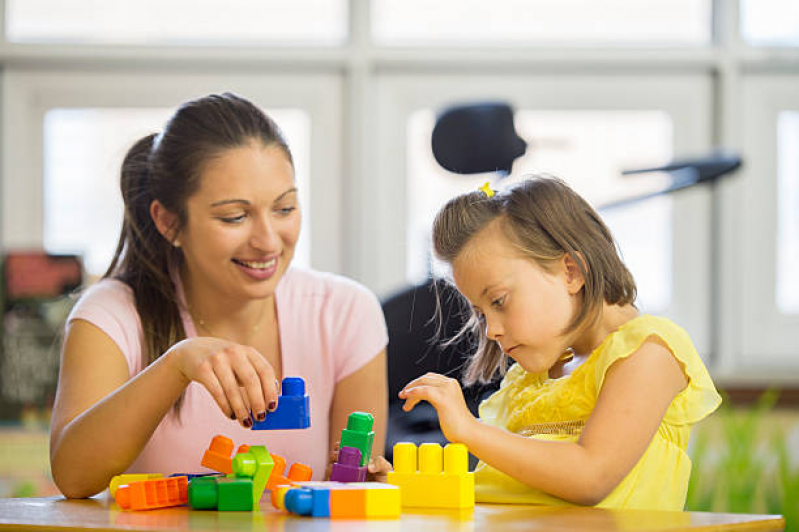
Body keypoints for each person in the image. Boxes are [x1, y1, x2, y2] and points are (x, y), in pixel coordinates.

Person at [49, 93, 388, 498]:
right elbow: (73, 477)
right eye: (235, 216)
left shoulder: (347, 313)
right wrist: (176, 364)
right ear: (169, 221)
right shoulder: (112, 314)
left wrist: (364, 485)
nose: (267, 242)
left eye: (284, 209)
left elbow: (350, 487)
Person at [399, 176, 721, 510]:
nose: (492, 330)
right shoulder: (529, 383)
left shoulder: (647, 354)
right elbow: (494, 491)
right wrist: (399, 483)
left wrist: (470, 429)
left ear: (571, 272)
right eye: (480, 314)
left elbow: (590, 476)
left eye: (498, 301)